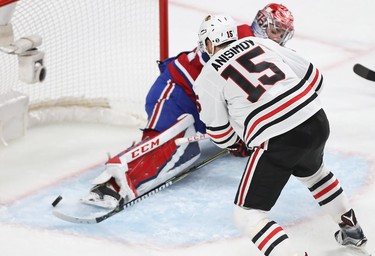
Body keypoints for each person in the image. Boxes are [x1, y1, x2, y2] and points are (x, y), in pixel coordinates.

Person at [193, 14, 368, 256]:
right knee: (315, 173)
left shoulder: (207, 75)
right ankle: (352, 231)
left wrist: (239, 142)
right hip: (316, 119)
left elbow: (219, 133)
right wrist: (293, 108)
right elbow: (315, 77)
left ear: (208, 42)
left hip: (278, 138)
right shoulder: (259, 43)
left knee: (247, 214)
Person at [81, 4, 296, 209]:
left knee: (185, 152)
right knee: (165, 143)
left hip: (206, 102)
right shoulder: (241, 37)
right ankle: (110, 185)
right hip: (177, 91)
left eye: (283, 33)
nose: (280, 38)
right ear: (263, 24)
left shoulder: (263, 48)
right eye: (277, 31)